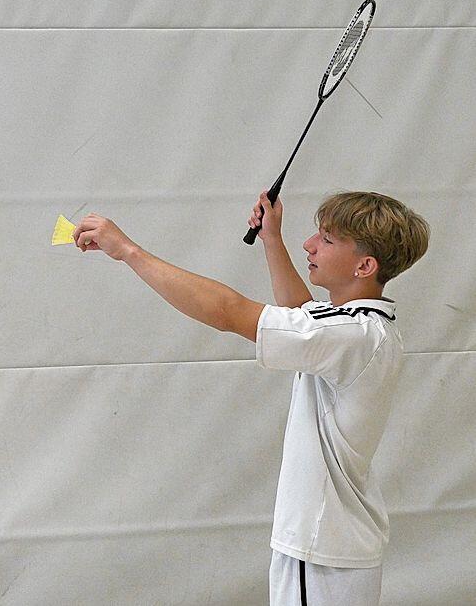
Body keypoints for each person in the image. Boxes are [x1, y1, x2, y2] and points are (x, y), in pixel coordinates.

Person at [72, 189, 430, 606]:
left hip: (320, 546)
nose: (309, 244)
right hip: (333, 543)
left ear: (365, 265)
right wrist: (272, 240)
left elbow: (227, 311)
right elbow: (300, 312)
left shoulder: (352, 334)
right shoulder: (361, 325)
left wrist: (128, 251)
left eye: (327, 240)